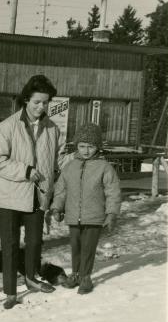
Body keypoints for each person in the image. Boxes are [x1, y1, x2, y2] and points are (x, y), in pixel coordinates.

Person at [0, 74, 63, 310]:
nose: (41, 107)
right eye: (37, 102)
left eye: (46, 102)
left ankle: (31, 278)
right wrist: (25, 170)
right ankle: (10, 291)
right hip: (10, 195)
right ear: (26, 100)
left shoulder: (52, 129)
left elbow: (57, 160)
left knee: (34, 242)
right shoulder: (6, 128)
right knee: (10, 245)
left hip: (38, 194)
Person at [49, 123, 121, 294]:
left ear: (98, 147)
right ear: (76, 146)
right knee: (76, 246)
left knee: (88, 247)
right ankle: (75, 274)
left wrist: (111, 213)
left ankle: (86, 277)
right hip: (73, 215)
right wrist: (56, 207)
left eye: (90, 146)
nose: (86, 151)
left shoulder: (104, 167)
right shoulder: (69, 167)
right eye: (82, 146)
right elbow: (61, 190)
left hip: (95, 216)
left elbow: (113, 192)